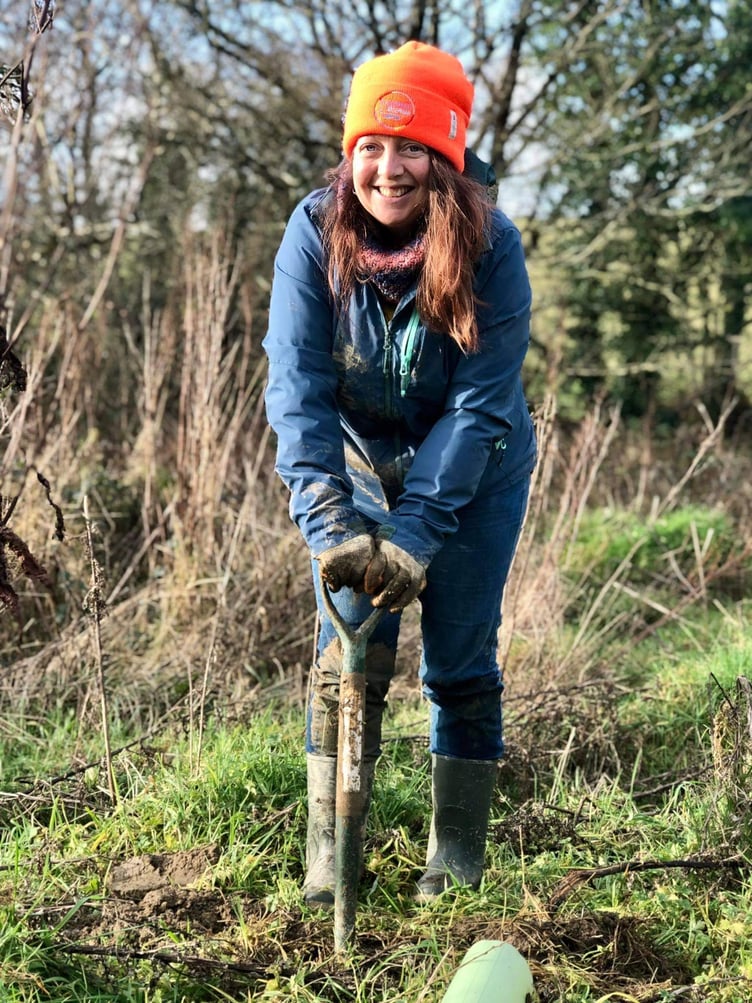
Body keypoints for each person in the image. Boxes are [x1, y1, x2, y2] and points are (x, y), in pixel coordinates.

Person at [263, 40, 536, 905]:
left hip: (477, 469)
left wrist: (417, 532)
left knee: (458, 659)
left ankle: (453, 858)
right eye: (371, 146)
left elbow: (481, 403)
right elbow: (296, 385)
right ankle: (332, 852)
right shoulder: (313, 232)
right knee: (347, 656)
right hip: (353, 467)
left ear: (444, 158)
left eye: (412, 145)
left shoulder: (493, 248)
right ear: (352, 151)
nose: (388, 167)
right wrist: (328, 520)